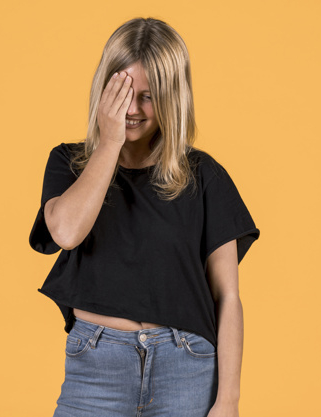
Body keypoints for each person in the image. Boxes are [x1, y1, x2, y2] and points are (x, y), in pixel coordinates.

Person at [29, 17, 260, 417]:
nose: (132, 110)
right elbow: (66, 232)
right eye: (123, 93)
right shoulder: (69, 162)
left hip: (187, 368)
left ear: (173, 98)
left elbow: (228, 298)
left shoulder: (204, 176)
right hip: (97, 369)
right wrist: (110, 141)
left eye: (149, 97)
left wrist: (229, 400)